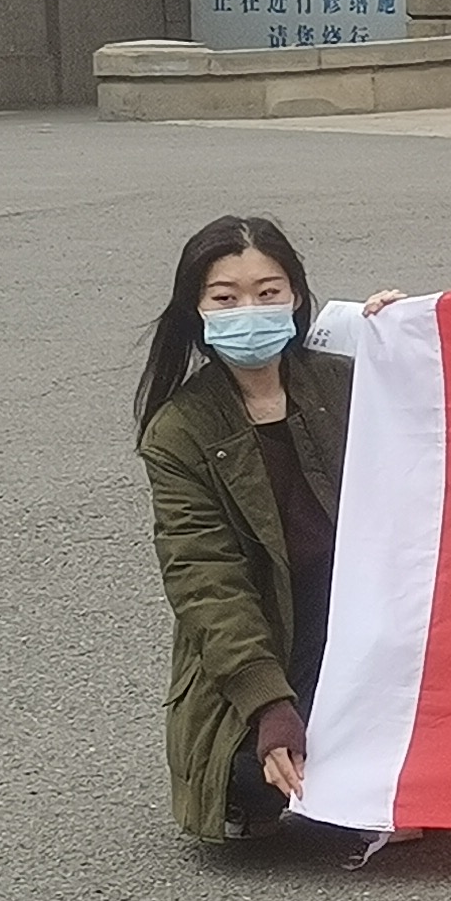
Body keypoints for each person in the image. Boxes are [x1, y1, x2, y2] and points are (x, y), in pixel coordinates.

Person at [136, 217, 385, 847]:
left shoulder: (347, 382)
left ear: (296, 298)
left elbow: (449, 425)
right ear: (196, 312)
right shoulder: (179, 431)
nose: (249, 311)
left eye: (268, 293)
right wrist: (269, 705)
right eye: (226, 298)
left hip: (364, 629)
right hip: (275, 641)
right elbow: (206, 584)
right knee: (250, 777)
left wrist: (406, 338)